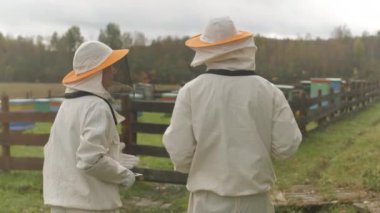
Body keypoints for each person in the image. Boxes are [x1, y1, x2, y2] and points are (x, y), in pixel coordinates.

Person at [163, 17, 302, 213]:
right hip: (256, 202)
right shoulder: (268, 90)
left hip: (207, 201)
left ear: (207, 50)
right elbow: (287, 145)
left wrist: (200, 166)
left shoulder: (191, 91)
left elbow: (180, 150)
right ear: (239, 45)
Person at [43, 41, 138, 213]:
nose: (114, 71)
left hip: (62, 203)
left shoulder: (69, 104)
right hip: (89, 206)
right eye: (109, 66)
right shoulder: (97, 106)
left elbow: (65, 150)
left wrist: (114, 157)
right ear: (97, 72)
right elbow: (90, 160)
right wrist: (124, 175)